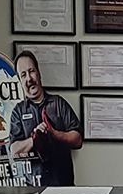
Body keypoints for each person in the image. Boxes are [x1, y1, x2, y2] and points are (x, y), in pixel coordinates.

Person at [7, 50, 83, 186]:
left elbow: (78, 140)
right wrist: (34, 139)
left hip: (63, 187)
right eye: (23, 75)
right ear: (19, 81)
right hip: (32, 190)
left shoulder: (58, 103)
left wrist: (55, 134)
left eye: (31, 71)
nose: (29, 78)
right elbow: (14, 151)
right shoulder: (18, 111)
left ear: (38, 73)